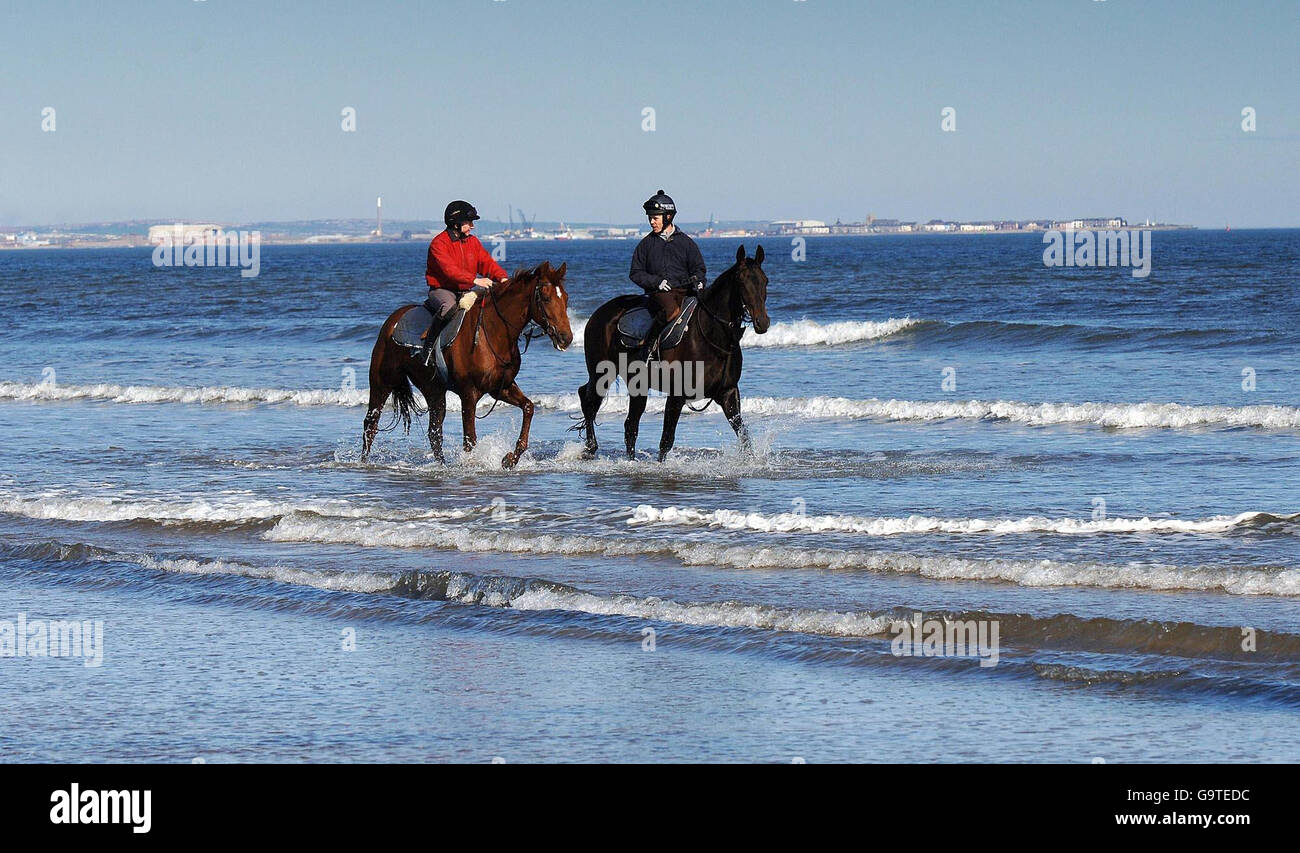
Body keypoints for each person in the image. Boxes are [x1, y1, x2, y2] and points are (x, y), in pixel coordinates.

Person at [421, 200, 509, 363]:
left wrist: (502, 278)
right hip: (442, 291)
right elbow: (449, 271)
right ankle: (428, 349)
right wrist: (475, 280)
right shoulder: (438, 244)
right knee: (449, 308)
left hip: (465, 290)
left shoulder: (473, 242)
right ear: (455, 224)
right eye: (469, 222)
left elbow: (487, 263)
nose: (472, 226)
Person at [628, 190, 706, 354]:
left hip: (686, 291)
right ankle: (648, 347)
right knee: (671, 311)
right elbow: (635, 273)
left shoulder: (686, 243)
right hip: (659, 294)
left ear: (668, 217)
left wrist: (699, 280)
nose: (651, 222)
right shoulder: (646, 245)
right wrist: (657, 282)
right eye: (650, 218)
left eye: (655, 218)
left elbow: (699, 268)